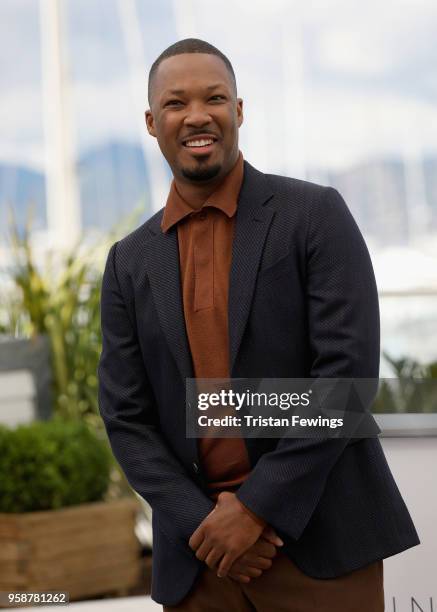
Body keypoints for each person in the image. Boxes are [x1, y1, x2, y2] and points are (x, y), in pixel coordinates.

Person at [98, 38, 419, 611]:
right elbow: (126, 417)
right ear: (152, 122)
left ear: (239, 110)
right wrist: (208, 526)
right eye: (176, 104)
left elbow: (345, 379)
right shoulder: (128, 260)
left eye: (214, 98)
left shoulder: (314, 215)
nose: (197, 115)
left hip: (319, 547)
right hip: (199, 564)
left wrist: (255, 509)